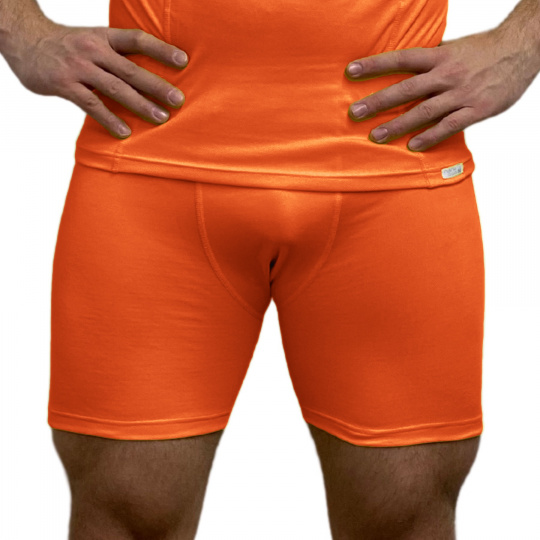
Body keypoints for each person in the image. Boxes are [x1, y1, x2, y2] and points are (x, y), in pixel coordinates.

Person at [1, 0, 539, 537]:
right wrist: (20, 29)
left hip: (392, 176)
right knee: (126, 508)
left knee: (403, 514)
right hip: (150, 173)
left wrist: (521, 43)